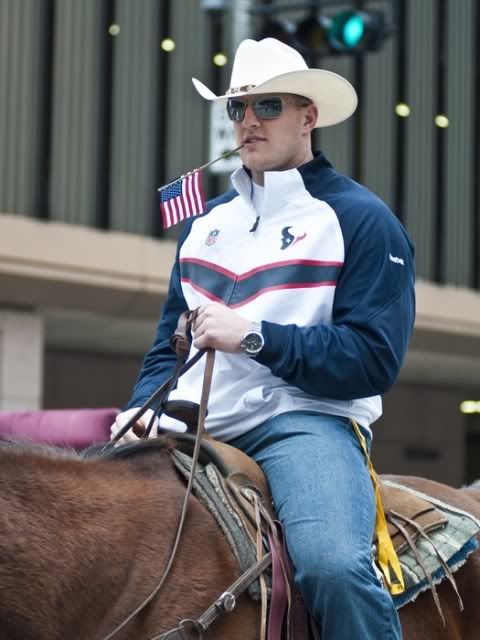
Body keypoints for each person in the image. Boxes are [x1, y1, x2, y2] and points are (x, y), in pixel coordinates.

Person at [111, 38, 414, 639]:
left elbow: (374, 360)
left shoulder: (361, 218)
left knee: (333, 567)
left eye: (268, 106)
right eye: (237, 108)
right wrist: (138, 408)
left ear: (309, 116)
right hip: (188, 419)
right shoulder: (205, 224)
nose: (248, 122)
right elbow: (164, 346)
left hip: (303, 422)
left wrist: (255, 337)